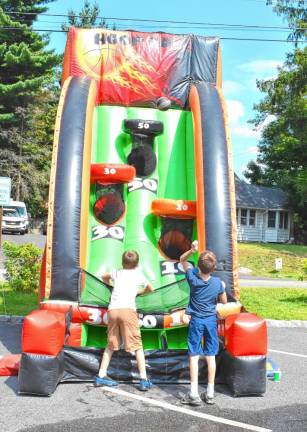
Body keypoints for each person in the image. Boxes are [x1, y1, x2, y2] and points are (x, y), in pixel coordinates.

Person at [95, 250, 154, 391]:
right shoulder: (138, 274)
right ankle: (144, 379)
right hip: (128, 310)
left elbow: (103, 277)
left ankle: (101, 375)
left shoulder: (117, 272)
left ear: (122, 262)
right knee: (137, 345)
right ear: (137, 264)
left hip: (113, 310)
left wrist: (112, 285)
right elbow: (151, 288)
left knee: (110, 344)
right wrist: (140, 292)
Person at [179, 240, 227, 406]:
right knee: (210, 356)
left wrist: (191, 250)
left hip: (196, 322)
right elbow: (224, 301)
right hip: (210, 322)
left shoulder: (192, 277)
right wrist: (223, 288)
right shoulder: (217, 283)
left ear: (198, 267)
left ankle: (193, 393)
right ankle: (210, 393)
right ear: (213, 268)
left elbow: (182, 260)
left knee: (194, 356)